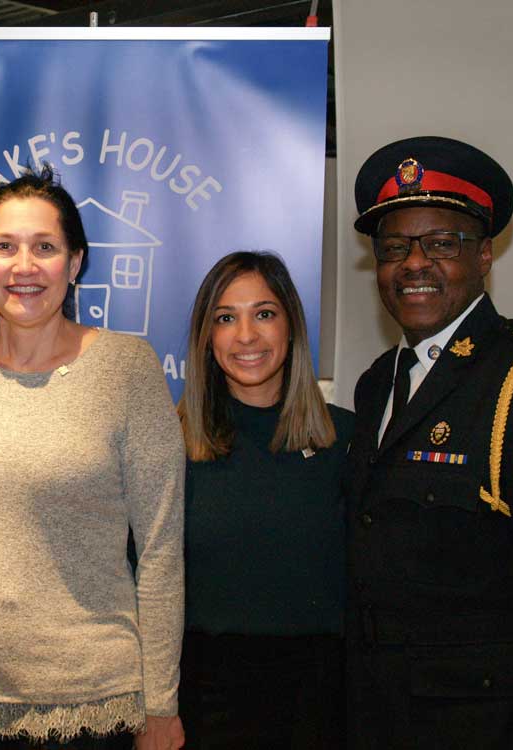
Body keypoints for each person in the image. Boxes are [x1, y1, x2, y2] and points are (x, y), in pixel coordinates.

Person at [345, 135, 513, 748]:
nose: (414, 264)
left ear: (485, 255)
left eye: (441, 244)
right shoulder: (376, 385)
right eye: (394, 249)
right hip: (381, 718)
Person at [0, 168, 186, 750]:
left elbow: (162, 549)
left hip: (93, 710)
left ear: (76, 261)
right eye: (4, 247)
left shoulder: (127, 368)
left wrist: (162, 704)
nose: (24, 267)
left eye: (45, 247)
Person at [177, 251, 353, 749]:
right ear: (207, 341)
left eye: (265, 314)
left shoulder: (348, 440)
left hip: (320, 703)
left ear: (292, 327)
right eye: (226, 319)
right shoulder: (170, 445)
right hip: (202, 701)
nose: (247, 336)